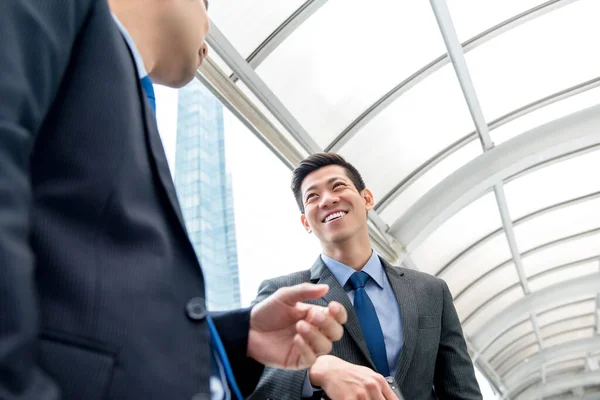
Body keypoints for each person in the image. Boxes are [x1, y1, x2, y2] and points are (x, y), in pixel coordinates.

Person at [0, 1, 348, 399]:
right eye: (206, 7)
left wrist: (239, 336)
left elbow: (87, 308)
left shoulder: (125, 98)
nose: (207, 32)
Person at [249, 153, 483, 400]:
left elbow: (461, 390)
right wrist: (314, 372)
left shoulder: (431, 291)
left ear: (367, 198)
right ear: (305, 222)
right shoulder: (285, 294)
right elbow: (249, 378)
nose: (327, 200)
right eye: (312, 196)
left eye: (337, 186)